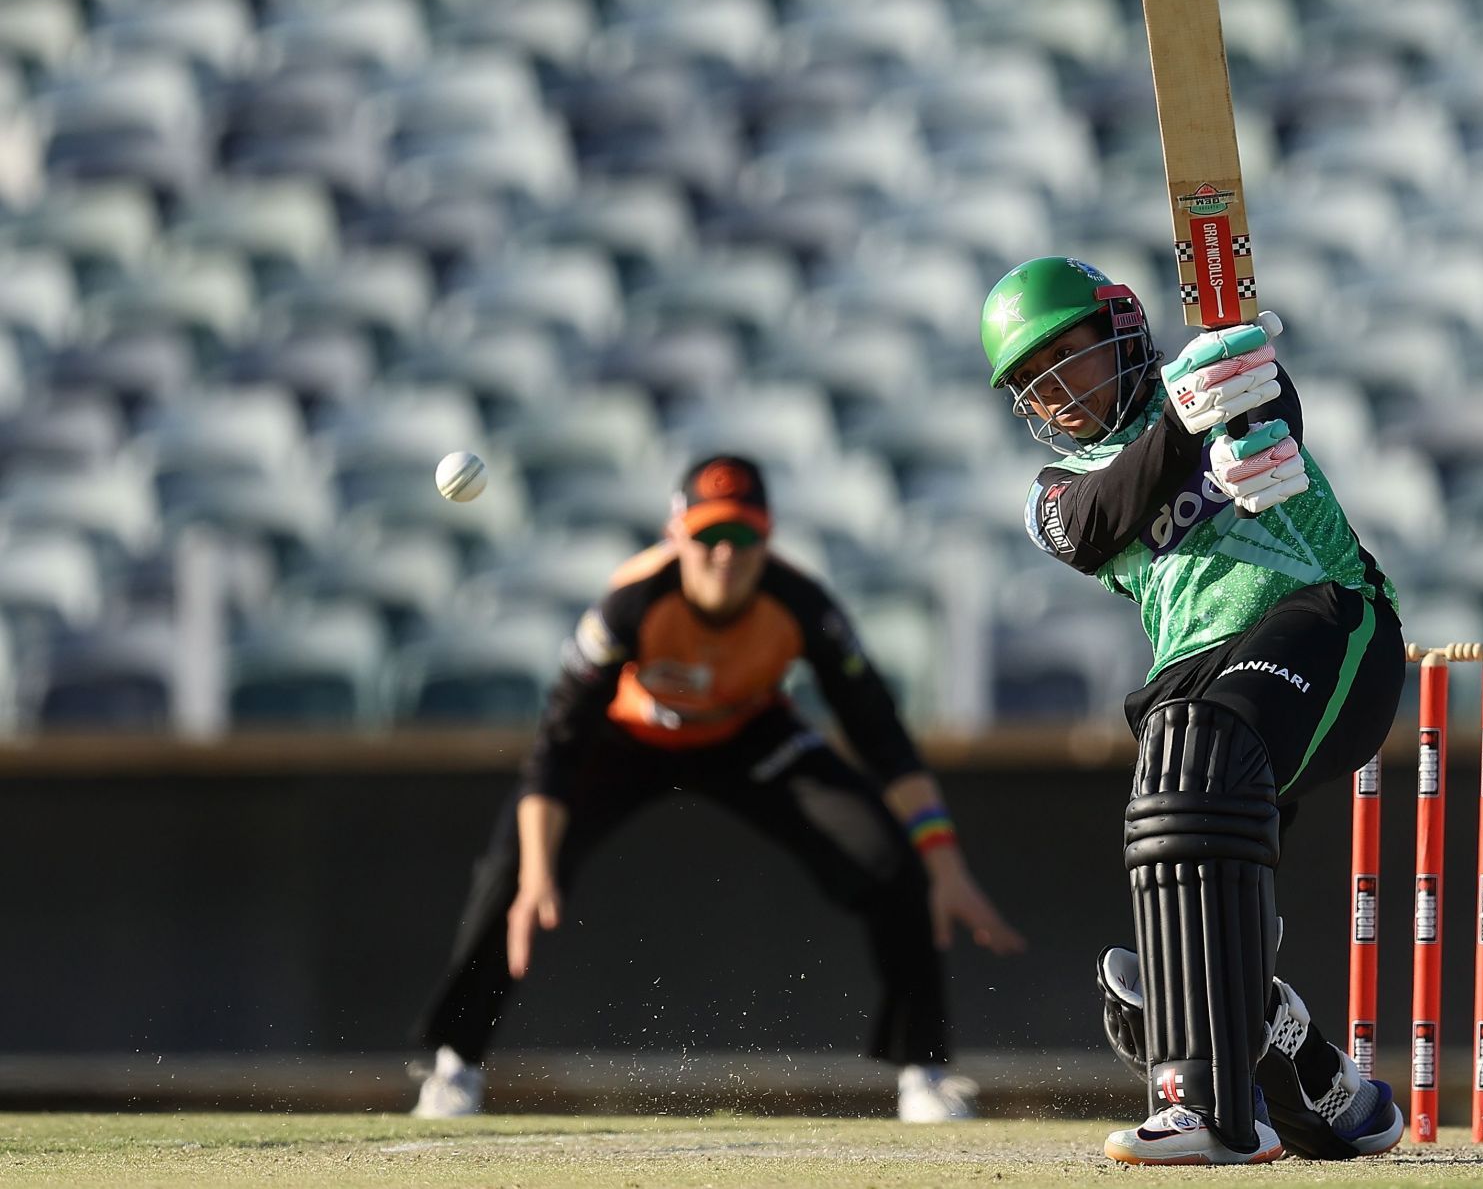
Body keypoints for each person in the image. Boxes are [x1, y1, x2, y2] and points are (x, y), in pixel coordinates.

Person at [411, 455, 1025, 1122]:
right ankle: (454, 1064)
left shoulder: (803, 605)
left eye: (741, 538)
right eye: (707, 537)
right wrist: (536, 873)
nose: (723, 557)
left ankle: (924, 1073)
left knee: (894, 862)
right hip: (630, 736)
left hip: (746, 731)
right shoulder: (631, 603)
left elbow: (884, 738)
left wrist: (944, 862)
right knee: (510, 875)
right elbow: (556, 748)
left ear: (766, 540)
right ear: (677, 537)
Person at [978, 256, 1407, 1165]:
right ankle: (1308, 1077)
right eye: (1029, 384)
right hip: (1196, 667)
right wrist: (1186, 420)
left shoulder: (1215, 382)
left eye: (1065, 360)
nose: (1053, 394)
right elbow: (1102, 515)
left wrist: (1259, 403)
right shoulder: (1050, 495)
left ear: (1123, 328)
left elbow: (1272, 403)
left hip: (1329, 618)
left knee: (1200, 752)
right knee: (1161, 920)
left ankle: (1211, 1109)